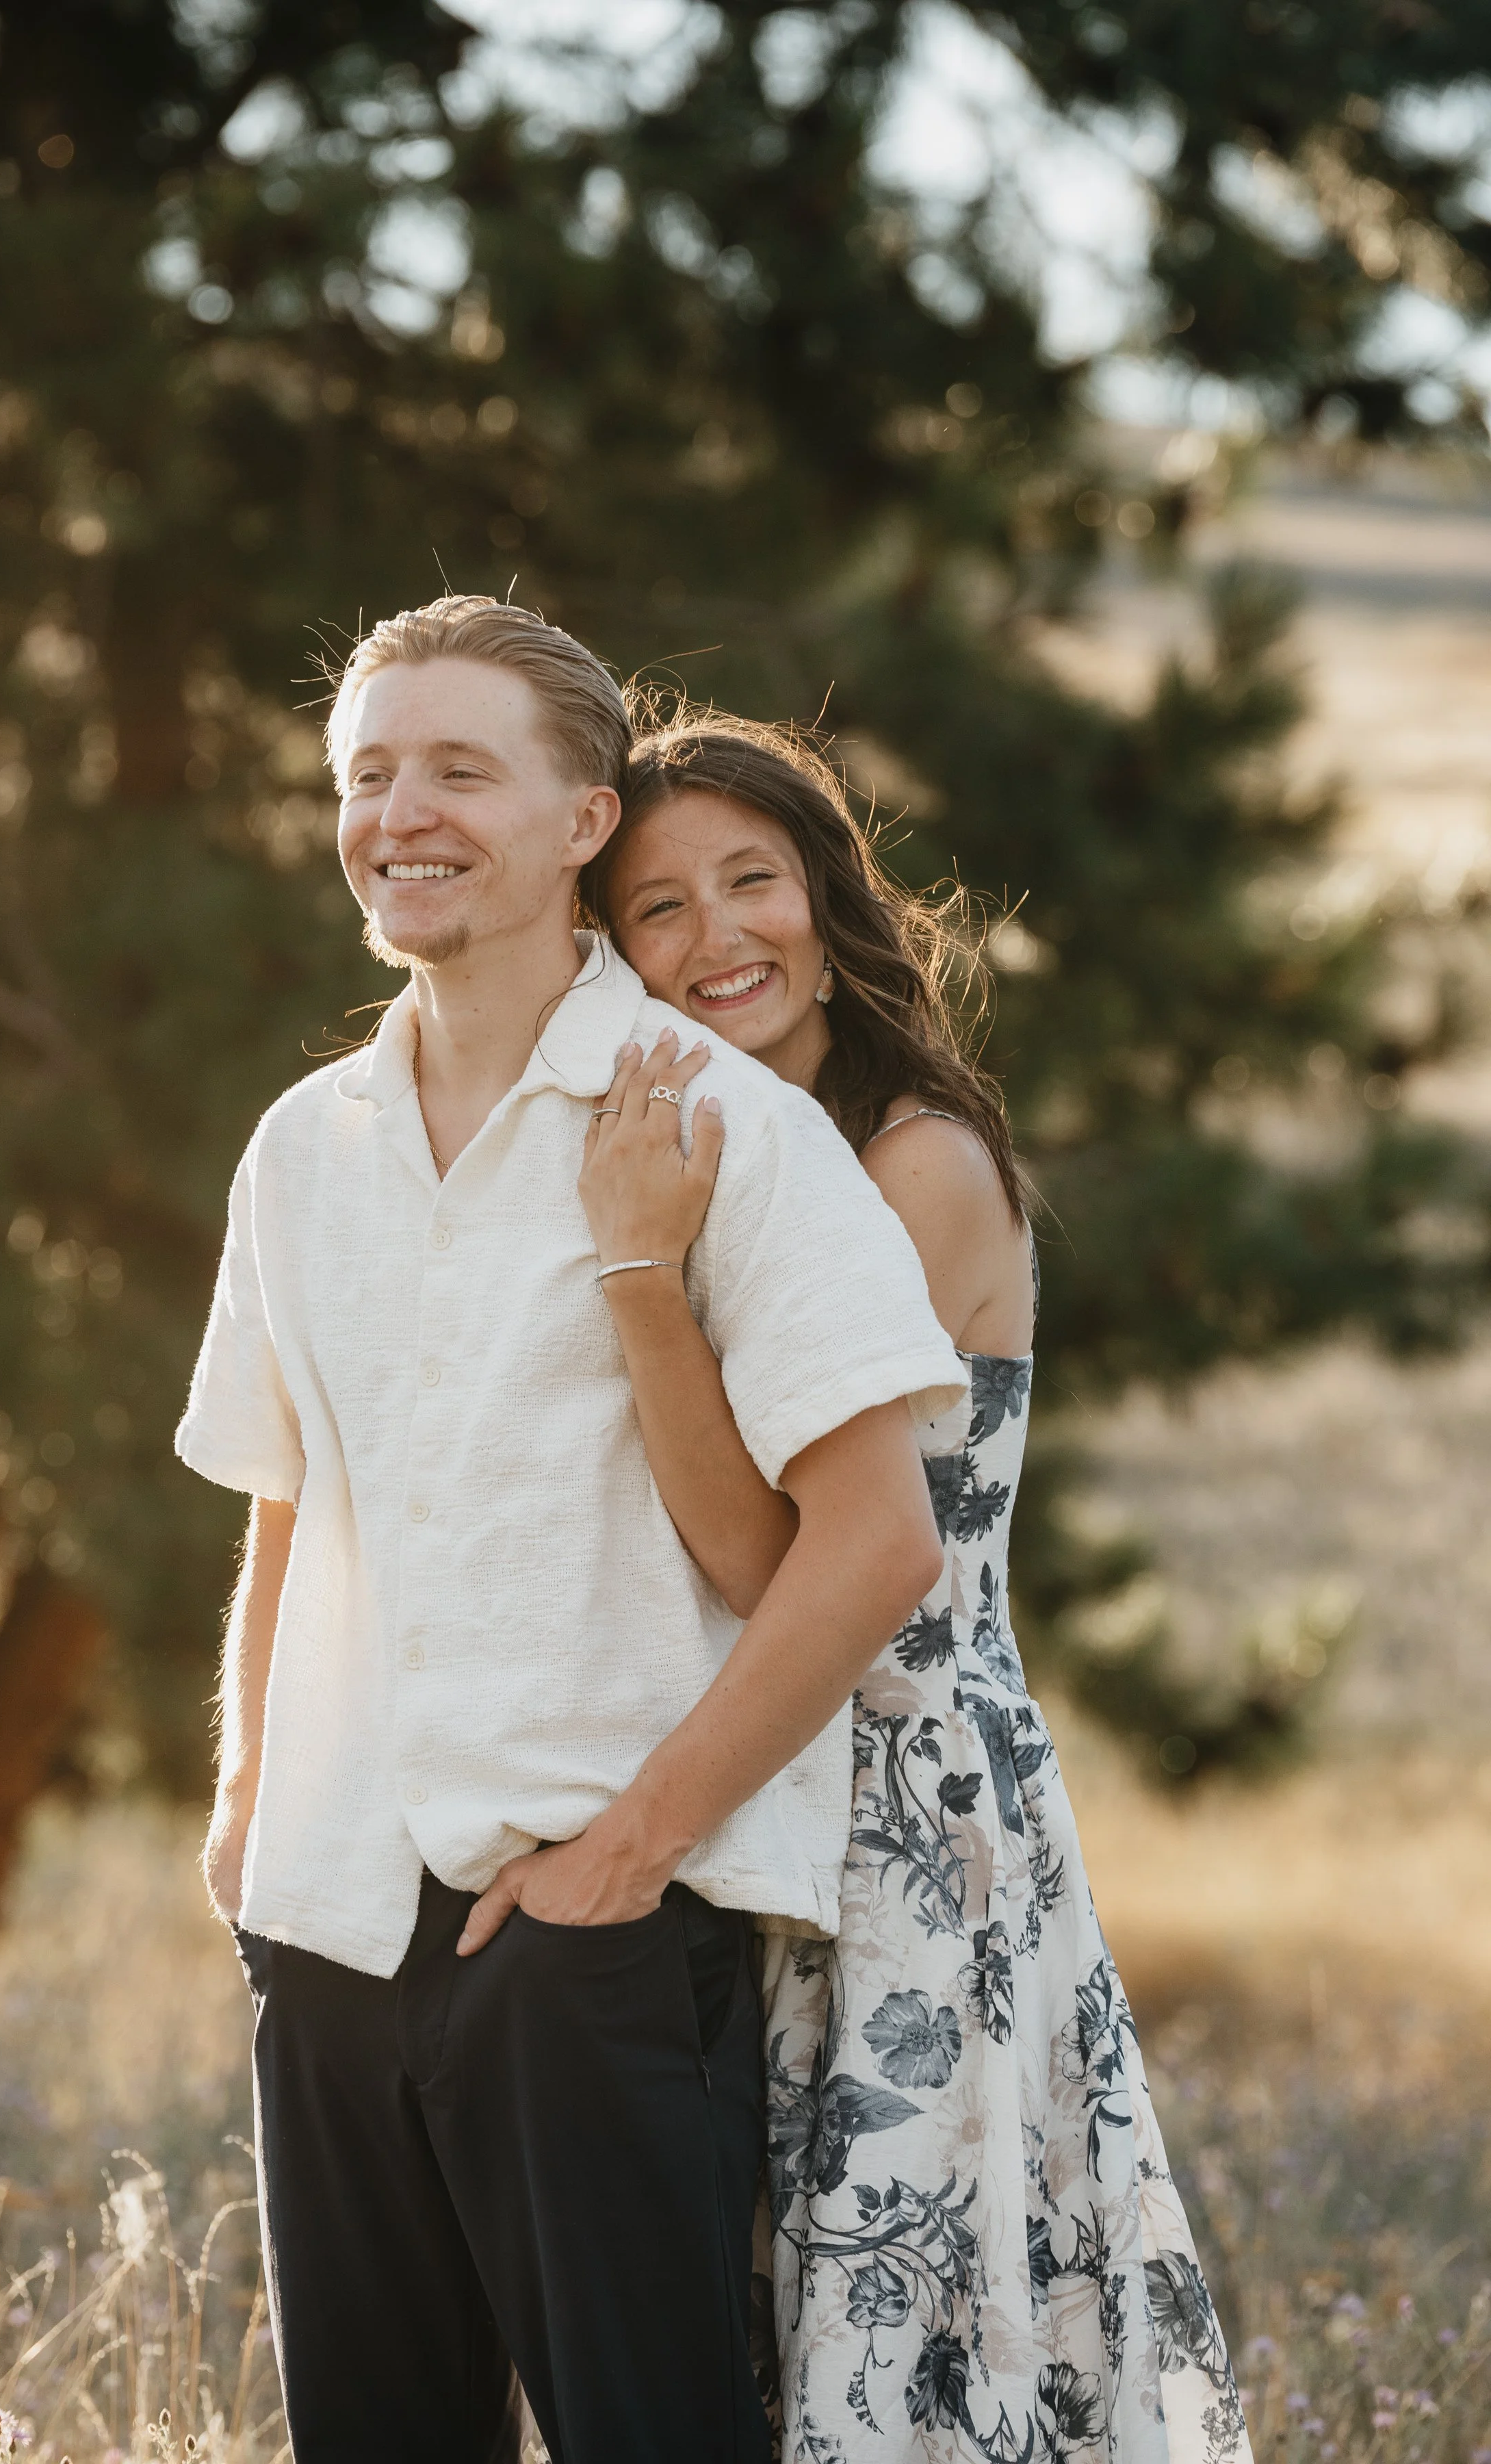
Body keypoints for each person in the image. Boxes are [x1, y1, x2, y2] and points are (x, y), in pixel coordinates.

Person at [174, 598, 973, 2464]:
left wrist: (639, 1849)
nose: (403, 813)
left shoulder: (730, 1140)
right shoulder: (303, 1148)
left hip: (593, 1934)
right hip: (332, 1918)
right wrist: (246, 1808)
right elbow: (293, 1497)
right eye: (369, 774)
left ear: (583, 822)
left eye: (462, 768)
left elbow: (875, 1549)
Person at [575, 710, 1253, 2464]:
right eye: (659, 908)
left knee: (913, 2347)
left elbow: (781, 1559)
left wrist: (640, 1285)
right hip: (774, 1774)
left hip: (905, 1817)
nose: (719, 936)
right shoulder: (741, 1144)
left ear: (829, 902)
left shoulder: (910, 1165)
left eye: (755, 881)